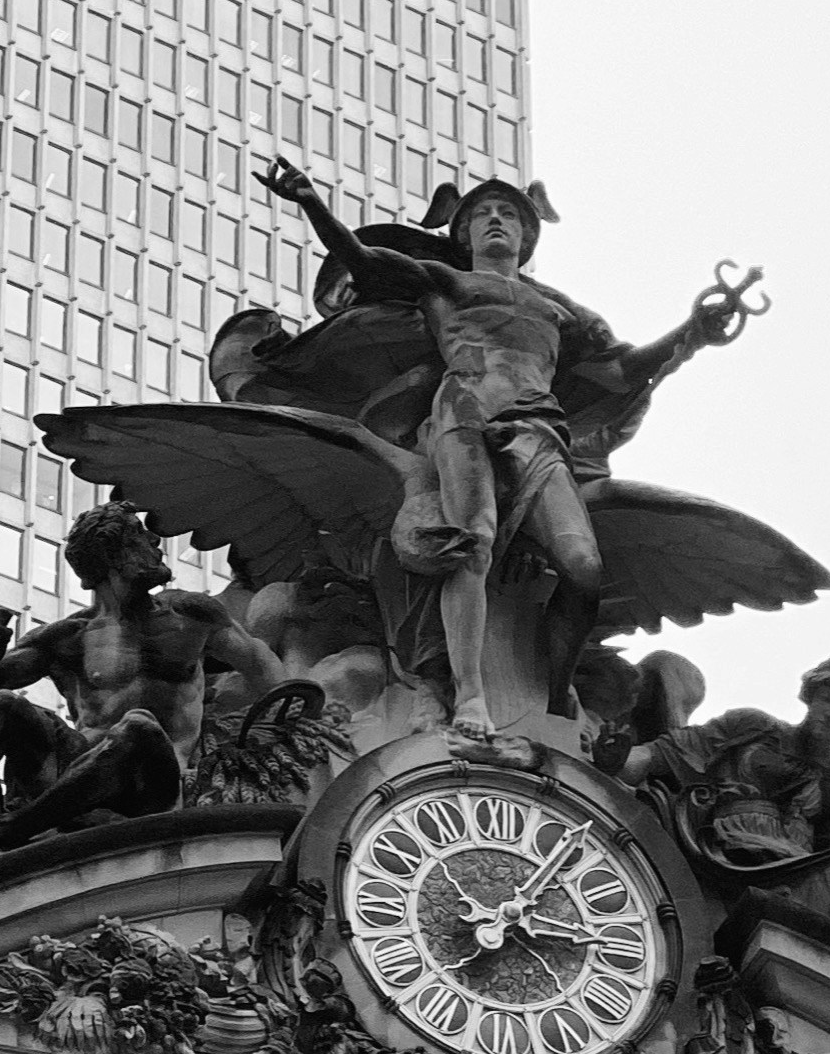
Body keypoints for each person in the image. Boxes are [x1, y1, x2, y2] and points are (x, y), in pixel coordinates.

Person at [252, 157, 754, 742]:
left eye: (508, 214)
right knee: (472, 545)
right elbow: (366, 264)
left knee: (585, 568)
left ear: (526, 233)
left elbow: (622, 372)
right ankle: (469, 695)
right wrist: (310, 200)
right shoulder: (444, 282)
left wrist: (691, 333)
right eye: (483, 214)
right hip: (463, 414)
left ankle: (556, 686)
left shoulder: (561, 314)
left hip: (538, 430)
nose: (496, 220)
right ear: (462, 233)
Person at [0, 506, 282, 880]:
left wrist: (292, 711)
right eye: (142, 536)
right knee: (4, 708)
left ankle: (4, 833)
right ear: (116, 554)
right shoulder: (68, 637)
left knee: (138, 726)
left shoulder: (191, 615)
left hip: (151, 785)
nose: (157, 544)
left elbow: (262, 665)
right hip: (74, 776)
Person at [623, 652, 830, 968]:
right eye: (827, 698)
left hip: (802, 875)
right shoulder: (751, 726)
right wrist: (615, 760)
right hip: (722, 854)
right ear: (811, 697)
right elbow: (663, 754)